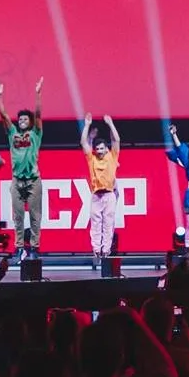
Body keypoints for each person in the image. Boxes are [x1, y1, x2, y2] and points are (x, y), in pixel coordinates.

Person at [0, 77, 44, 260]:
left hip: (33, 181)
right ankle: (20, 247)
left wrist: (38, 94)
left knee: (35, 217)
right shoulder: (13, 133)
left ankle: (35, 247)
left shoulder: (35, 134)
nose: (22, 120)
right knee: (18, 217)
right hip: (17, 181)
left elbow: (38, 115)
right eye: (20, 118)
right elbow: (4, 116)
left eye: (25, 119)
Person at [81, 114, 120, 267]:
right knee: (96, 223)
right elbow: (83, 142)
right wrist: (87, 125)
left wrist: (110, 124)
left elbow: (116, 140)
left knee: (108, 223)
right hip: (96, 195)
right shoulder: (92, 159)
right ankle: (96, 250)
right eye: (97, 148)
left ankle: (106, 250)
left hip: (109, 194)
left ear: (106, 149)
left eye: (102, 148)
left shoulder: (112, 156)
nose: (99, 150)